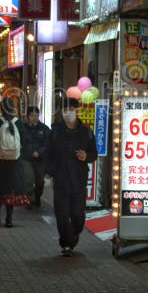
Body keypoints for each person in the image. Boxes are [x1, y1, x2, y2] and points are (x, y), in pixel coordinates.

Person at [45, 97, 97, 257]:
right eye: (65, 110)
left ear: (77, 111)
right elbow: (47, 154)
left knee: (77, 216)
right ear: (61, 112)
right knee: (61, 214)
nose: (68, 113)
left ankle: (73, 235)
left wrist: (85, 156)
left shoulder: (86, 131)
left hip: (79, 179)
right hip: (60, 179)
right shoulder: (55, 131)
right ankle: (66, 244)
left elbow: (94, 153)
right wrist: (51, 172)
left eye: (72, 110)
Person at [0, 98, 27, 227]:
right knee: (10, 190)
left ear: (1, 108)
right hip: (14, 162)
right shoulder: (19, 123)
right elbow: (24, 141)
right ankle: (9, 219)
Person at [19, 106, 50, 208]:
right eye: (32, 115)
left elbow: (48, 144)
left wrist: (40, 152)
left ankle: (37, 198)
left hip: (40, 160)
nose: (34, 117)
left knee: (39, 182)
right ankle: (30, 200)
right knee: (28, 180)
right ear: (28, 116)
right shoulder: (22, 128)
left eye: (36, 115)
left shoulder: (44, 129)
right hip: (26, 158)